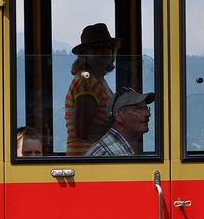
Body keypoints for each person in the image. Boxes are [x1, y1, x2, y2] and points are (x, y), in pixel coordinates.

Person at [65, 23, 118, 156]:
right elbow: (82, 131)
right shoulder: (86, 80)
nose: (105, 51)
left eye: (109, 47)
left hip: (95, 155)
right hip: (86, 157)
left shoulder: (98, 81)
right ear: (85, 54)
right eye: (97, 48)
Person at [85, 87, 154, 157]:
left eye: (146, 108)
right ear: (118, 116)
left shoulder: (120, 149)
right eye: (139, 109)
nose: (148, 114)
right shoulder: (111, 154)